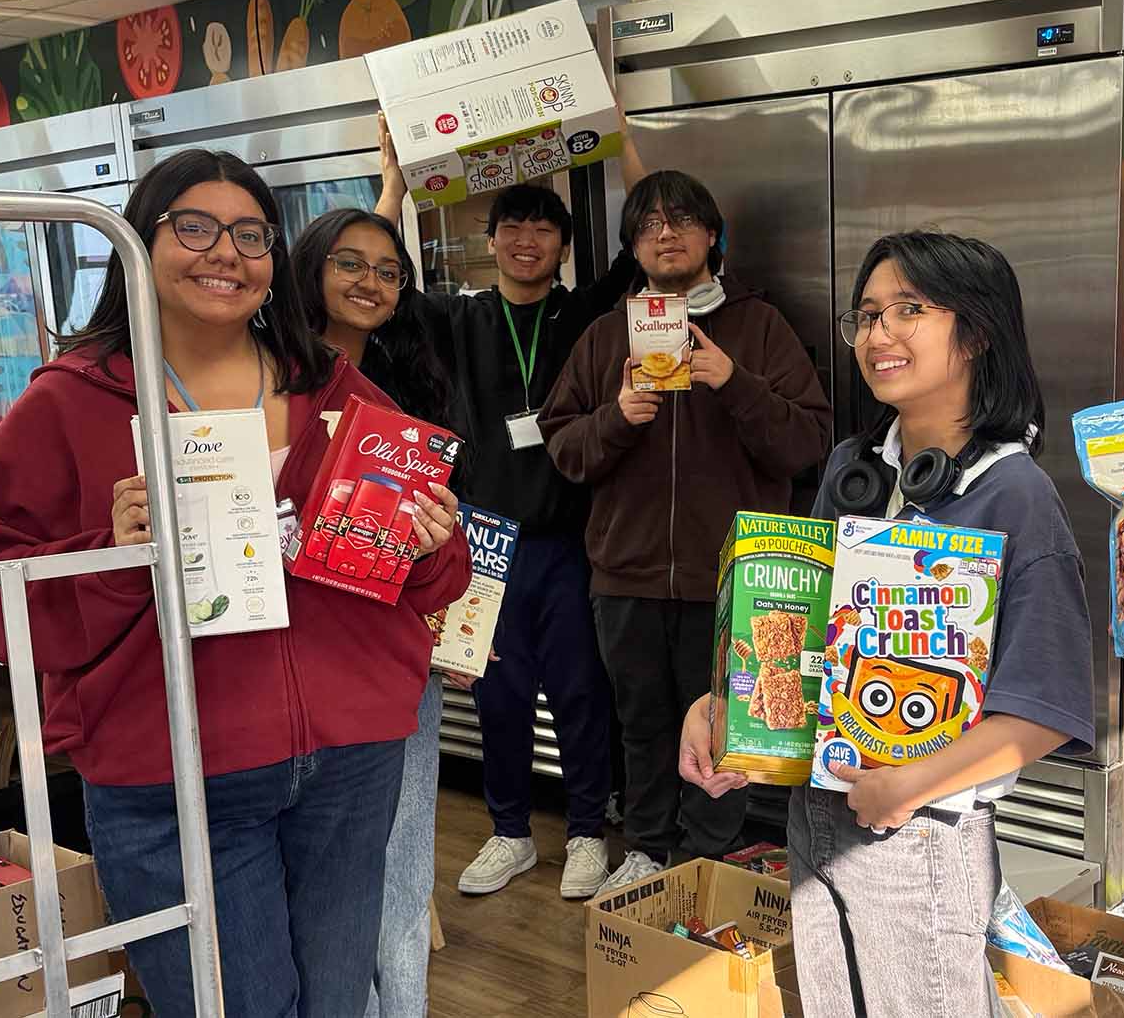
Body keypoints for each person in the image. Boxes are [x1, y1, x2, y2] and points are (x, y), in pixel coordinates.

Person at [0, 149, 470, 1018]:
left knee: (338, 1005)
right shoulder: (71, 401)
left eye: (252, 235)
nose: (226, 252)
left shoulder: (333, 386)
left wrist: (428, 546)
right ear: (138, 242)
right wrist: (112, 556)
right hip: (175, 775)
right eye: (194, 227)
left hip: (350, 761)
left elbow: (430, 578)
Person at [678, 232, 1096, 1017]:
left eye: (909, 309)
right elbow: (798, 633)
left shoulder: (1016, 496)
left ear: (976, 332)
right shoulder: (854, 468)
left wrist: (912, 782)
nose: (878, 334)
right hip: (815, 812)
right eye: (867, 314)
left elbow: (1044, 710)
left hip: (921, 832)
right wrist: (721, 706)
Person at [373, 116, 645, 903]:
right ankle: (511, 833)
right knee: (497, 693)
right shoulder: (457, 320)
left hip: (570, 540)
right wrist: (393, 184)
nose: (528, 241)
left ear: (563, 247)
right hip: (481, 544)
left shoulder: (585, 316)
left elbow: (642, 245)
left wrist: (621, 135)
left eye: (543, 229)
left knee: (580, 689)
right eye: (513, 228)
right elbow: (382, 280)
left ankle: (587, 832)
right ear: (490, 242)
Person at [539, 169, 833, 891]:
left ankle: (706, 858)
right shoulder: (606, 336)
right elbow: (563, 446)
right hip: (626, 575)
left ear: (712, 236)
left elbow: (808, 443)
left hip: (734, 581)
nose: (664, 234)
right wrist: (617, 418)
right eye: (647, 225)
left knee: (726, 729)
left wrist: (734, 381)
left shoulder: (760, 327)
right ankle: (645, 846)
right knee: (640, 723)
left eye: (681, 220)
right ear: (631, 246)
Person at [290, 206, 454, 1018]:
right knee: (333, 885)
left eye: (389, 271)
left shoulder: (410, 379)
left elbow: (445, 528)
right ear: (309, 268)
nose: (371, 282)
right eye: (350, 264)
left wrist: (459, 616)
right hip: (309, 667)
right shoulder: (270, 384)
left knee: (404, 867)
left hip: (401, 652)